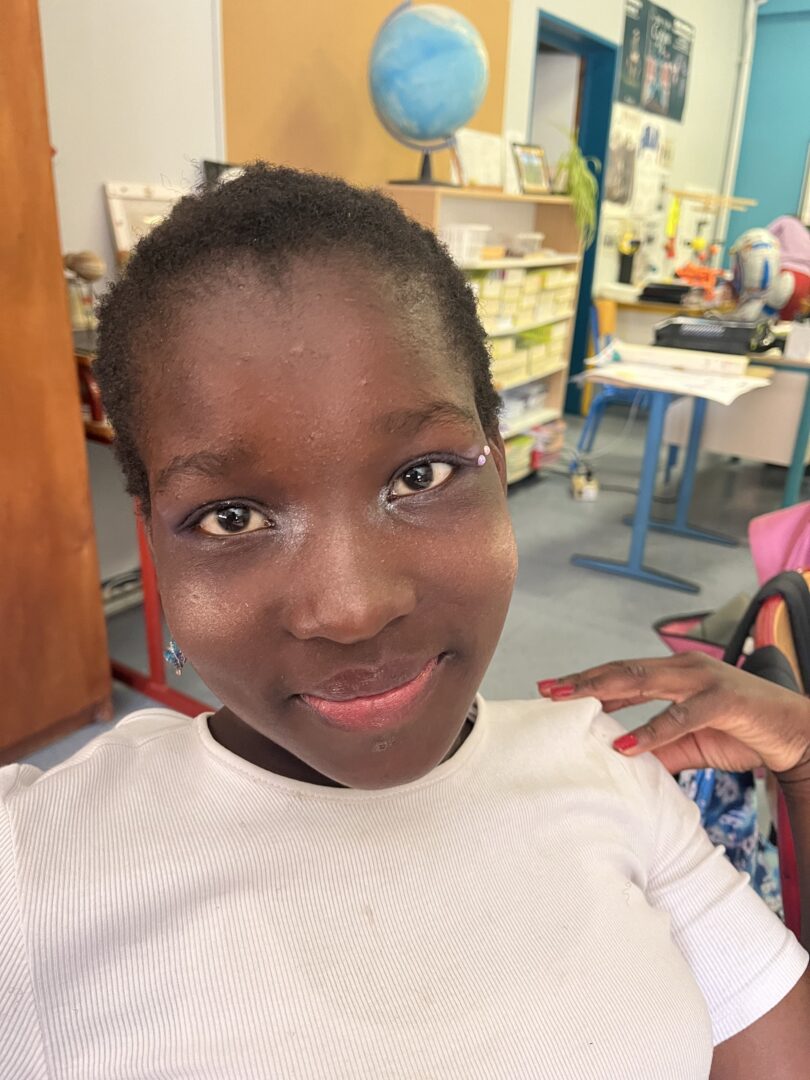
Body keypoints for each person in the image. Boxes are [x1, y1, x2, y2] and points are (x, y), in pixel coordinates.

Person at [0, 165, 807, 1079]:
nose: (351, 609)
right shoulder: (33, 871)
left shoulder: (611, 770)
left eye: (419, 477)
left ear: (498, 464)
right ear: (155, 538)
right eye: (231, 517)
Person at [767, 215, 810, 320]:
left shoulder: (785, 220)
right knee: (786, 323)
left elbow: (763, 239)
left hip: (786, 273)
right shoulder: (806, 234)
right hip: (806, 279)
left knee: (765, 317)